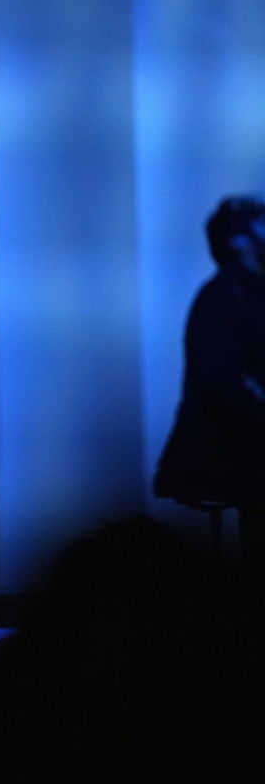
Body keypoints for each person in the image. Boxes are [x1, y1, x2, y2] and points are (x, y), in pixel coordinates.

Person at [155, 196, 265, 567]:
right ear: (239, 241)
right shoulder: (220, 299)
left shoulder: (251, 296)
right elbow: (225, 385)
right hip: (231, 452)